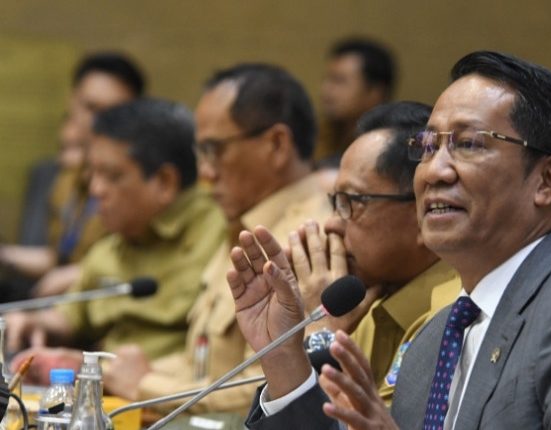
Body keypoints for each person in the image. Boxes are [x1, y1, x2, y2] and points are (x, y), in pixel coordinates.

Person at [229, 51, 551, 429]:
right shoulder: (433, 340)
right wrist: (284, 356)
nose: (435, 171)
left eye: (469, 144)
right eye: (428, 146)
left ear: (548, 180)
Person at [100, 63, 333, 417]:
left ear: (276, 144)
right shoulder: (244, 223)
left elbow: (271, 386)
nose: (206, 173)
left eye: (215, 150)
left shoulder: (308, 238)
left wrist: (146, 386)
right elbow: (202, 364)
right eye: (202, 153)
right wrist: (102, 369)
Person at [7, 98, 227, 381]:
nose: (96, 189)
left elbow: (221, 364)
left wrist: (104, 371)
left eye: (112, 176)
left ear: (165, 182)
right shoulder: (118, 239)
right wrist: (35, 322)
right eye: (93, 172)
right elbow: (71, 313)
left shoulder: (223, 234)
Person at [290, 101, 461, 402]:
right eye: (336, 202)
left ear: (423, 212)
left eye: (353, 202)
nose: (332, 224)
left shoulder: (452, 319)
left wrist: (319, 331)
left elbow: (345, 421)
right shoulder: (368, 310)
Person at [0, 52, 145, 301]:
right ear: (72, 102)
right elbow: (60, 257)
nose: (98, 122)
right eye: (90, 107)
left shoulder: (141, 180)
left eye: (113, 112)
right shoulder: (68, 176)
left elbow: (142, 264)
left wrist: (82, 273)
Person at [316, 37, 396, 166]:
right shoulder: (319, 137)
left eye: (339, 81)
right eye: (328, 79)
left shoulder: (391, 148)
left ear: (374, 93)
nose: (326, 89)